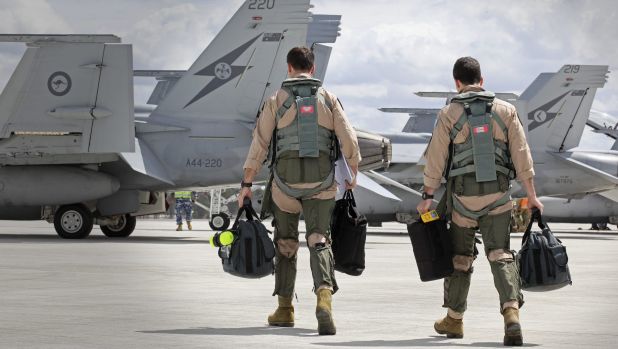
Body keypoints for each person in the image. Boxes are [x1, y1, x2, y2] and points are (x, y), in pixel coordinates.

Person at [417, 57, 543, 346]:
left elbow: (435, 160)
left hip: (463, 199)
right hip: (499, 197)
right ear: (482, 80)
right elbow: (522, 154)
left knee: (460, 259)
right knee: (500, 254)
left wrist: (427, 196)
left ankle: (454, 320)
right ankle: (511, 315)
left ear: (457, 83)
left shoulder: (449, 113)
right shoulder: (506, 110)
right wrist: (532, 195)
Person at [238, 47, 361, 335]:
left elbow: (259, 144)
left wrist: (246, 183)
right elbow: (348, 138)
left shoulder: (275, 100)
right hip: (322, 184)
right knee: (319, 239)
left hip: (284, 185)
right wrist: (352, 173)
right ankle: (324, 300)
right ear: (313, 69)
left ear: (289, 68)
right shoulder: (328, 99)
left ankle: (284, 309)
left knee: (286, 243)